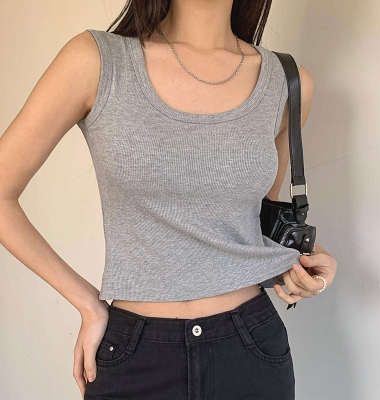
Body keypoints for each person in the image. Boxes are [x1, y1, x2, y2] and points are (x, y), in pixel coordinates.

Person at [0, 0, 337, 399]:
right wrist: (88, 303)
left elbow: (255, 215)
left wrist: (310, 258)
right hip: (135, 356)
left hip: (250, 350)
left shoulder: (288, 81)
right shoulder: (97, 61)